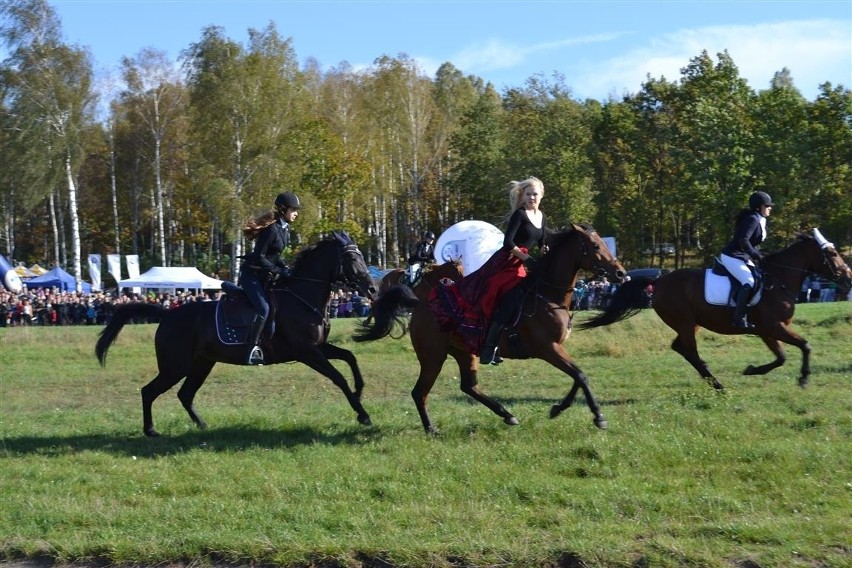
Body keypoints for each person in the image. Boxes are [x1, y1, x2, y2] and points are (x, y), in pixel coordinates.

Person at [479, 176, 549, 365]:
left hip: (526, 264)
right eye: (528, 194)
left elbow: (542, 241)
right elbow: (508, 242)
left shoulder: (542, 217)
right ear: (523, 196)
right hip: (508, 262)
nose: (531, 198)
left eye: (535, 194)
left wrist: (544, 249)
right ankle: (489, 347)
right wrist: (527, 258)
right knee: (511, 300)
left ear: (541, 195)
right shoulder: (519, 215)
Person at [239, 191, 301, 364]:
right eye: (293, 209)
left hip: (264, 277)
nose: (296, 213)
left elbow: (275, 256)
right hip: (251, 276)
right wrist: (279, 271)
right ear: (283, 209)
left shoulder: (284, 230)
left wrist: (285, 268)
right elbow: (259, 257)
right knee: (264, 309)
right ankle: (251, 349)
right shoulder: (271, 230)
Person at [719, 190, 773, 329]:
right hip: (732, 256)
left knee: (760, 278)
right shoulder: (753, 219)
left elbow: (753, 243)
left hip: (742, 256)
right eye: (767, 206)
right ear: (759, 207)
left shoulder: (760, 219)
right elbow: (744, 240)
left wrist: (760, 254)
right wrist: (756, 255)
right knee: (748, 282)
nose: (770, 208)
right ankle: (738, 319)